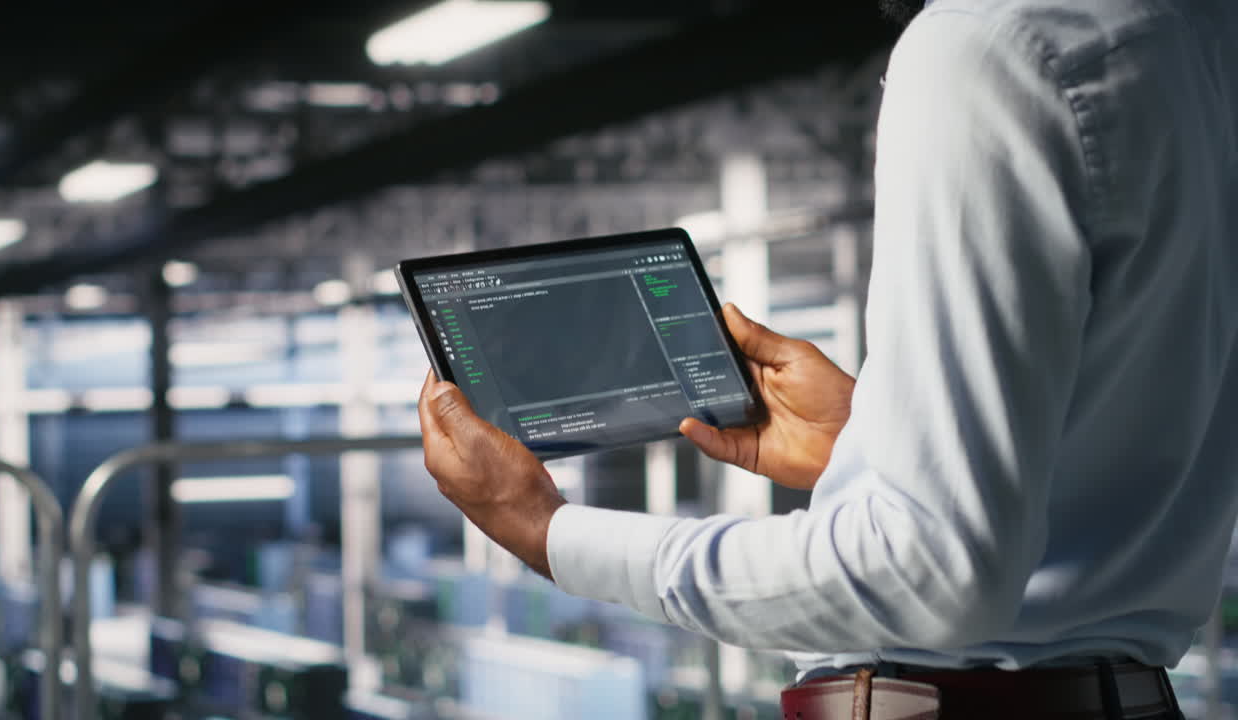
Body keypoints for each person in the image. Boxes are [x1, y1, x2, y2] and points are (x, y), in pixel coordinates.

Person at [418, 0, 1238, 717]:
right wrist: (876, 446)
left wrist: (551, 533)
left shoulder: (985, 46)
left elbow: (931, 575)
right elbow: (1122, 416)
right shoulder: (1197, 36)